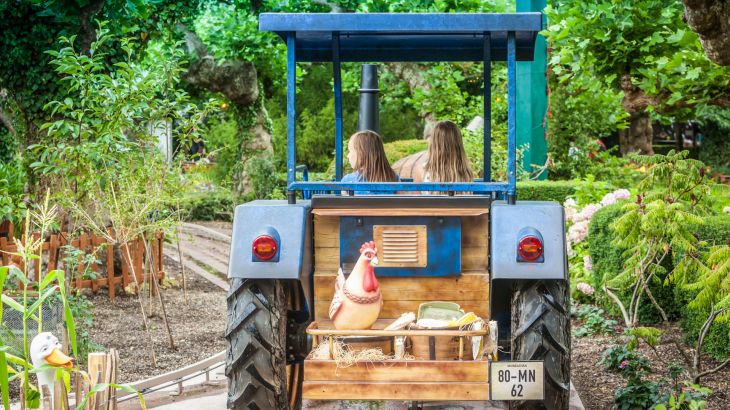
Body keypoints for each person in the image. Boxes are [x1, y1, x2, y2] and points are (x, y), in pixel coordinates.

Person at [342, 130, 398, 195]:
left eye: (350, 151)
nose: (348, 156)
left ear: (362, 153)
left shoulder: (347, 181)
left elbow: (344, 204)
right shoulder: (394, 178)